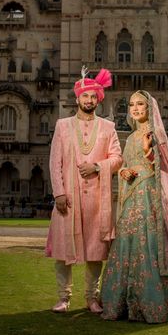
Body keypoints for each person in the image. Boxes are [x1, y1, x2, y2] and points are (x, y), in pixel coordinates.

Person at [101, 90, 168, 323]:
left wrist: (149, 152)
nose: (135, 109)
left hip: (151, 197)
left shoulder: (156, 134)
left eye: (141, 105)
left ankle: (158, 303)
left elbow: (166, 168)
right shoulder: (130, 138)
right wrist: (123, 172)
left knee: (153, 245)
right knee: (129, 245)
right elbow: (125, 165)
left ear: (150, 109)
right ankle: (123, 303)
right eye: (131, 105)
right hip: (132, 199)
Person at [45, 68, 123, 313]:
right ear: (77, 97)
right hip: (68, 196)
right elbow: (54, 160)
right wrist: (58, 192)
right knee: (63, 251)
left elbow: (118, 159)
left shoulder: (108, 127)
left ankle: (92, 298)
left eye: (93, 97)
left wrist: (98, 166)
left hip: (97, 200)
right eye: (85, 96)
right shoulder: (63, 126)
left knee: (95, 252)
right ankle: (64, 297)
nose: (89, 100)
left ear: (99, 100)